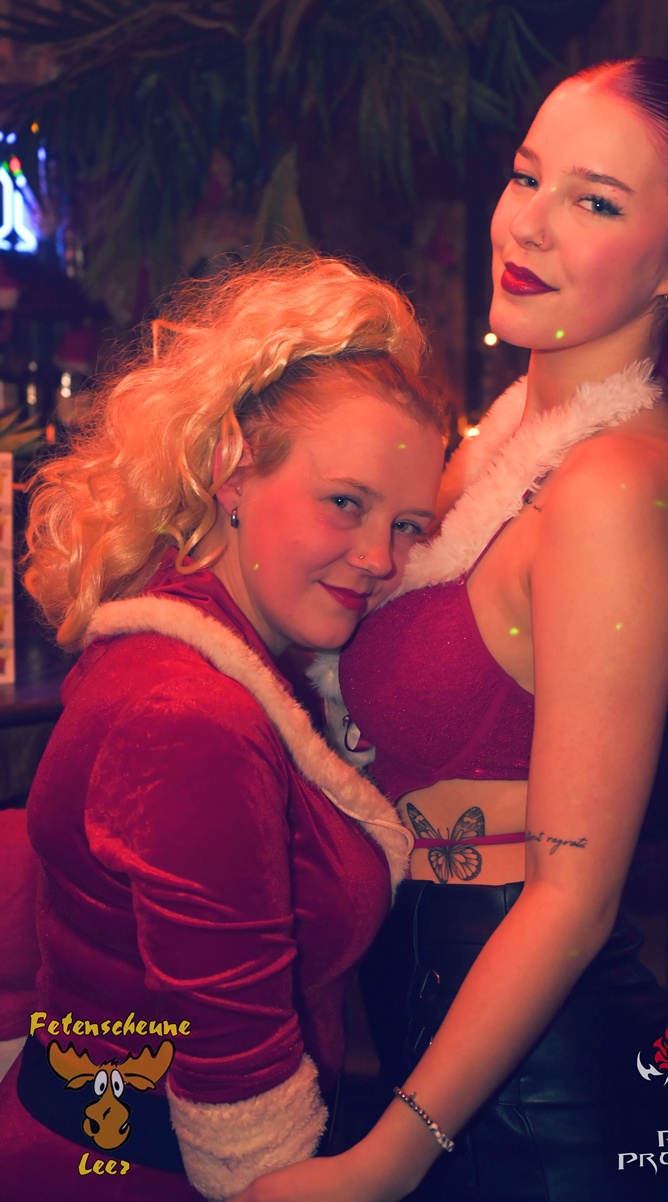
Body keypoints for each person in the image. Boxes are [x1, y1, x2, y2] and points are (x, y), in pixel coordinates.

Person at [234, 57, 668, 1202]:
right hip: (441, 1043)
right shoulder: (494, 443)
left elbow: (574, 895)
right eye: (526, 177)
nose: (527, 224)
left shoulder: (616, 484)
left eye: (594, 202)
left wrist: (381, 1160)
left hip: (543, 1100)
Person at [0, 253, 446, 1201]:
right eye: (346, 503)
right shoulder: (189, 714)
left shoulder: (210, 649)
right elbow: (242, 1112)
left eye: (409, 525)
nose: (379, 557)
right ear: (231, 472)